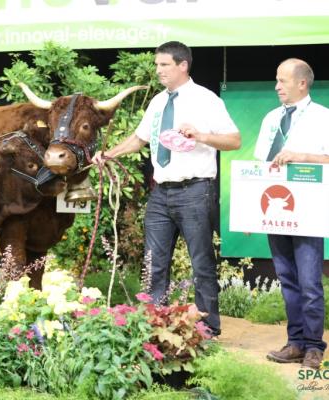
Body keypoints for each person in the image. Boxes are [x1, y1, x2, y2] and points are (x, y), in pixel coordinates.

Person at [92, 41, 241, 336]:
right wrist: (108, 154)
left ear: (183, 65)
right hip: (161, 193)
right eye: (157, 65)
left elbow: (234, 140)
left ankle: (207, 327)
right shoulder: (159, 101)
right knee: (154, 262)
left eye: (164, 65)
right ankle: (152, 323)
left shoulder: (206, 100)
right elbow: (139, 139)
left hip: (196, 190)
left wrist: (200, 135)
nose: (158, 70)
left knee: (201, 263)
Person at [254, 58, 329, 369]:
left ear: (302, 83)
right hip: (275, 209)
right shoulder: (271, 118)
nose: (277, 86)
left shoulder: (323, 117)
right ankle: (295, 342)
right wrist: (250, 212)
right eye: (276, 80)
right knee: (287, 279)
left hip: (308, 212)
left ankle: (314, 346)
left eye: (283, 80)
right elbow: (260, 165)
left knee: (310, 281)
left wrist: (302, 156)